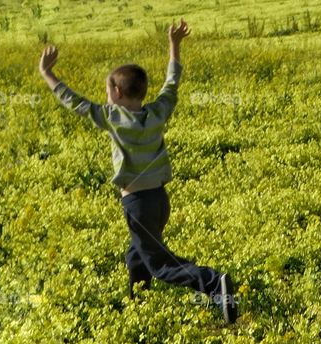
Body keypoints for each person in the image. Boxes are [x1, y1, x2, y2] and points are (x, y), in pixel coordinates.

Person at [38, 18, 237, 323]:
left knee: (158, 263)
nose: (106, 97)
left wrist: (47, 73)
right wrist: (174, 45)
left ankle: (212, 282)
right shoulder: (157, 111)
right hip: (159, 201)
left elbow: (74, 102)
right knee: (137, 253)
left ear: (116, 92)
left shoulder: (112, 118)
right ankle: (138, 305)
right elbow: (172, 83)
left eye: (107, 91)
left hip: (137, 204)